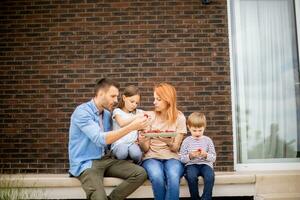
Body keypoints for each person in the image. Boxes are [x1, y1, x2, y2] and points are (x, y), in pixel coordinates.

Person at [68, 78, 149, 200]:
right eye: (113, 96)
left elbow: (113, 138)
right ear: (101, 94)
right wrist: (132, 126)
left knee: (140, 173)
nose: (116, 100)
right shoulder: (82, 112)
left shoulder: (106, 114)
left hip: (106, 160)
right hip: (87, 163)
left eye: (117, 96)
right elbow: (100, 139)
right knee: (99, 197)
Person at [138, 83, 187, 200]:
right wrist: (142, 140)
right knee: (157, 176)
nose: (154, 102)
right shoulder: (150, 116)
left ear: (168, 100)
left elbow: (175, 148)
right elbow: (145, 149)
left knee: (173, 176)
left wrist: (169, 142)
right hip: (151, 157)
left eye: (158, 99)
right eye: (154, 99)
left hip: (172, 157)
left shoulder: (179, 117)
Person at [179, 112, 216, 200]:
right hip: (191, 165)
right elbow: (181, 158)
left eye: (200, 130)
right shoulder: (186, 141)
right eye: (194, 130)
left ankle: (206, 197)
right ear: (189, 128)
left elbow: (213, 158)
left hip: (205, 164)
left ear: (204, 127)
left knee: (210, 176)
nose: (197, 133)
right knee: (191, 176)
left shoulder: (208, 140)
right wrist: (190, 156)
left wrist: (206, 155)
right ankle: (195, 198)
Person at [111, 85, 144, 164]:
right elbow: (122, 123)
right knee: (122, 152)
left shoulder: (138, 112)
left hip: (132, 143)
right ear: (124, 98)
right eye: (132, 101)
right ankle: (118, 165)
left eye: (136, 103)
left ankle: (136, 166)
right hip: (119, 143)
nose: (134, 105)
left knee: (136, 154)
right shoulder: (117, 111)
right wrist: (136, 117)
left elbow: (150, 115)